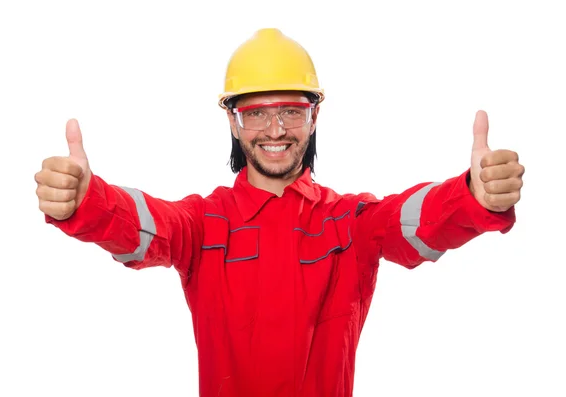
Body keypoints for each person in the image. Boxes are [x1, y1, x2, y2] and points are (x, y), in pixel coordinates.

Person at [35, 28, 525, 397]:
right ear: (233, 120)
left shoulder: (351, 222)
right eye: (256, 113)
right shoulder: (203, 224)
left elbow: (412, 220)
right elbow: (145, 224)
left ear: (315, 116)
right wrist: (88, 201)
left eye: (291, 110)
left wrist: (472, 196)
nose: (275, 129)